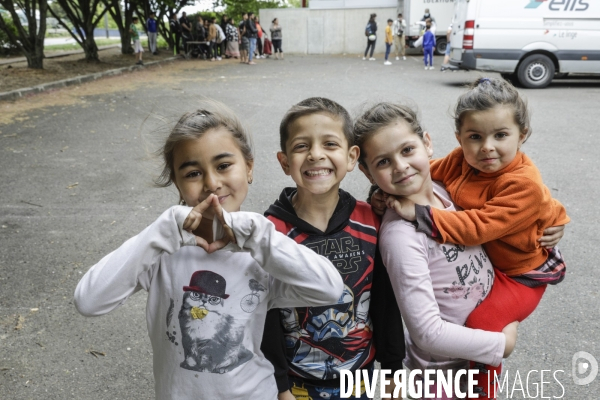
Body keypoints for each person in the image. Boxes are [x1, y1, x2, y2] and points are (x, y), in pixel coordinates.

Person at [74, 104, 344, 400]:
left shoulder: (264, 249)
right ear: (176, 182)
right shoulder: (162, 250)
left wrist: (256, 232)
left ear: (249, 167)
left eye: (224, 165)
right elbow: (89, 301)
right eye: (192, 173)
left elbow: (329, 289)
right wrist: (163, 230)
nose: (212, 183)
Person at [383, 78, 570, 399]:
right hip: (498, 265)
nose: (486, 147)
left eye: (500, 135)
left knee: (483, 321)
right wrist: (382, 191)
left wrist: (420, 213)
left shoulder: (522, 184)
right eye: (475, 137)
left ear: (522, 135)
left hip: (520, 277)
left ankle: (483, 390)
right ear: (459, 138)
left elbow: (477, 226)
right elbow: (427, 170)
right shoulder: (461, 160)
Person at [354, 102, 520, 398]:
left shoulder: (449, 192)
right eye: (383, 162)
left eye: (407, 150)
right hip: (440, 378)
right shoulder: (401, 236)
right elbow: (427, 332)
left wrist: (551, 223)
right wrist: (500, 344)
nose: (401, 166)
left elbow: (511, 198)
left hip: (475, 363)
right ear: (368, 174)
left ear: (427, 144)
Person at [260, 98, 405, 400]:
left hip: (359, 381)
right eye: (301, 146)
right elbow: (265, 316)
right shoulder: (269, 233)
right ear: (285, 161)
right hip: (296, 385)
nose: (315, 154)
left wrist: (393, 370)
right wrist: (279, 386)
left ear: (352, 157)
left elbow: (385, 302)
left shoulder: (372, 222)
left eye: (329, 144)